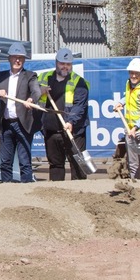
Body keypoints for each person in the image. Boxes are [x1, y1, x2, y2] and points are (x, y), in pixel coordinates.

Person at [0, 42, 42, 183]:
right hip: (6, 125)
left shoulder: (30, 76)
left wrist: (31, 99)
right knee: (5, 161)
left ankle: (26, 189)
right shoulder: (2, 76)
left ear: (24, 60)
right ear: (10, 58)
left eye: (21, 58)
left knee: (24, 161)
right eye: (15, 57)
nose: (18, 60)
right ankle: (7, 189)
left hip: (22, 124)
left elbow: (36, 91)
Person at [38, 47, 90, 181]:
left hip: (74, 131)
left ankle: (80, 195)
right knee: (55, 165)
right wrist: (39, 91)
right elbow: (31, 93)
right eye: (62, 63)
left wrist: (70, 121)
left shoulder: (79, 82)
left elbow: (80, 106)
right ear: (56, 62)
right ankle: (57, 194)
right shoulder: (44, 78)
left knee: (78, 165)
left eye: (68, 64)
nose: (65, 67)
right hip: (51, 131)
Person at [114, 57, 140, 181]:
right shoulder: (128, 84)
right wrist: (121, 103)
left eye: (136, 73)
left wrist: (136, 127)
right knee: (132, 163)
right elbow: (127, 96)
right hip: (129, 129)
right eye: (131, 73)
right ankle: (135, 186)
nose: (133, 76)